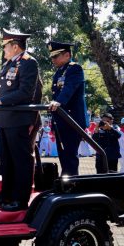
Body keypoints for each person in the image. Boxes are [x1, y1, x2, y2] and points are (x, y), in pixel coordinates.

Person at [0, 29, 41, 212]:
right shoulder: (8, 64)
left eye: (5, 46)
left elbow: (26, 92)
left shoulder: (29, 63)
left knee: (20, 161)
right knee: (6, 161)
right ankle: (6, 194)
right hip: (5, 120)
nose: (3, 49)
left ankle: (20, 199)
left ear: (15, 46)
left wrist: (0, 101)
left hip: (18, 119)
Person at [47, 41, 87, 176]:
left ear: (67, 55)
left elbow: (69, 89)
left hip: (71, 120)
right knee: (63, 155)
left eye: (55, 56)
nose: (53, 60)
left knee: (70, 156)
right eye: (52, 57)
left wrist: (58, 102)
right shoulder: (59, 72)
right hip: (61, 120)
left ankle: (71, 185)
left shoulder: (74, 69)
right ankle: (66, 182)